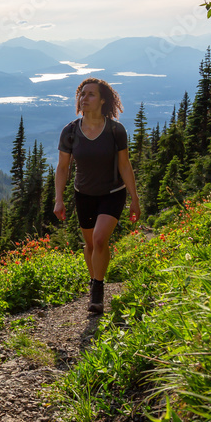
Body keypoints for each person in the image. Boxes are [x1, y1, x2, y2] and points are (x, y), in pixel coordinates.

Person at [54, 77, 140, 314]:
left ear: (103, 100)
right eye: (82, 94)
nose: (85, 98)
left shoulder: (115, 130)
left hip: (112, 193)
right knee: (91, 244)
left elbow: (124, 165)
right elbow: (63, 167)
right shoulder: (70, 132)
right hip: (84, 195)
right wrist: (59, 199)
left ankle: (98, 291)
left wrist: (134, 198)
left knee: (101, 239)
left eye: (91, 94)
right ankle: (94, 281)